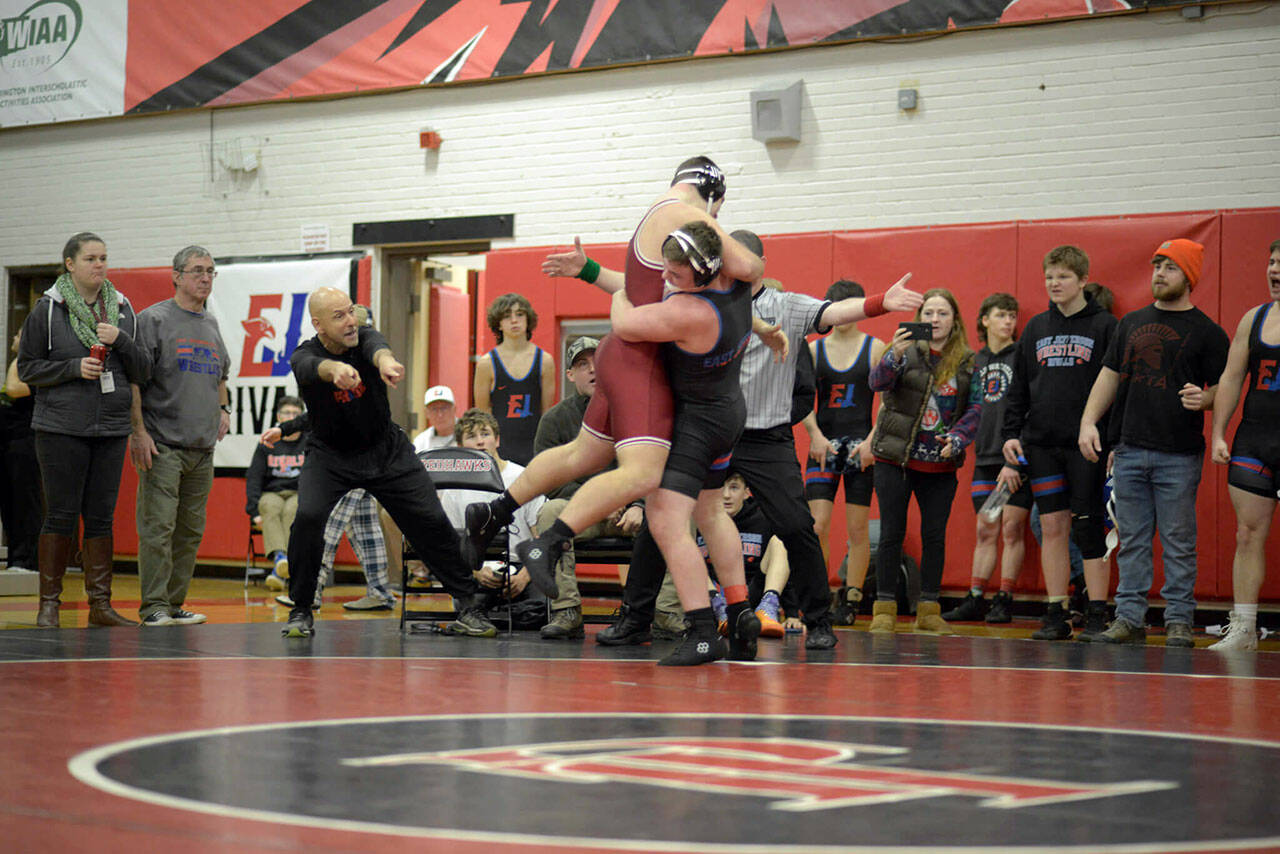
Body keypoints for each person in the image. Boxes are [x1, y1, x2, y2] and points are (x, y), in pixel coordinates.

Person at [592, 231, 921, 651]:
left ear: (757, 263)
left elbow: (835, 311)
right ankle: (636, 618)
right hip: (706, 431)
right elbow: (630, 286)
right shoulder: (691, 300)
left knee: (797, 526)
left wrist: (881, 303)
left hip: (764, 436)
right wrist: (586, 271)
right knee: (664, 520)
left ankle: (819, 620)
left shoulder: (785, 305)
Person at [464, 157, 765, 599]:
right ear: (715, 195)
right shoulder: (688, 216)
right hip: (638, 362)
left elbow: (646, 288)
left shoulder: (665, 216)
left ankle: (494, 511)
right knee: (642, 474)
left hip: (626, 356)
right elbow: (751, 269)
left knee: (581, 454)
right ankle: (546, 544)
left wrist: (591, 273)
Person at [280, 286, 493, 638]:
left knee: (429, 518)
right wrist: (334, 370)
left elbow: (375, 347)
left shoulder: (363, 337)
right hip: (331, 456)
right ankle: (301, 609)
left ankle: (468, 603)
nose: (350, 321)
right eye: (339, 317)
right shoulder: (305, 356)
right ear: (318, 325)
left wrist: (386, 362)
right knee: (308, 517)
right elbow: (311, 367)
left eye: (350, 311)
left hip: (386, 451)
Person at [604, 221, 760, 665]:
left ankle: (703, 630)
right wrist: (589, 270)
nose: (665, 278)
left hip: (698, 422)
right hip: (729, 410)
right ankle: (740, 611)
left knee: (666, 518)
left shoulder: (689, 312)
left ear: (703, 271)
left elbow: (626, 322)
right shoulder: (739, 281)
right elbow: (749, 261)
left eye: (675, 274)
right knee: (710, 512)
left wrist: (618, 295)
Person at [1078, 239, 1229, 647]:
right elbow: (1109, 375)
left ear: (1189, 277)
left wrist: (1207, 398)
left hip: (1179, 453)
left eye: (1170, 267)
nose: (1159, 273)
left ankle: (1179, 619)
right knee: (1132, 539)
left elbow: (1225, 387)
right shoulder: (1129, 323)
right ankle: (1129, 617)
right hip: (1128, 448)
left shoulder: (1208, 332)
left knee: (1179, 541)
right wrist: (1089, 421)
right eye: (1157, 265)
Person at [18, 232, 149, 628]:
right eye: (91, 258)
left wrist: (121, 341)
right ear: (70, 264)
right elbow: (27, 370)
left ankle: (100, 606)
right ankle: (50, 606)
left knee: (100, 518)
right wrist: (72, 368)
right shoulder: (47, 310)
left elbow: (143, 370)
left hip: (109, 428)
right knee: (59, 515)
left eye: (104, 258)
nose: (99, 265)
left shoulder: (123, 310)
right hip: (59, 428)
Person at [1001, 245, 1119, 641]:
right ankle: (1056, 612)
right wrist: (1010, 436)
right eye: (1049, 276)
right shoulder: (1035, 328)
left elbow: (1118, 388)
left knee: (1089, 526)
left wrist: (1113, 441)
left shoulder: (1105, 326)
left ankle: (1098, 613)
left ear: (1083, 279)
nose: (1054, 283)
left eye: (1063, 276)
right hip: (1042, 445)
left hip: (1087, 446)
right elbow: (1017, 390)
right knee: (1051, 525)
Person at [867, 288, 982, 634]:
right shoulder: (904, 350)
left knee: (935, 535)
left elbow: (976, 408)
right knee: (891, 533)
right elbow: (877, 384)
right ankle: (884, 608)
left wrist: (959, 438)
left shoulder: (967, 359)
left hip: (941, 463)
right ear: (919, 319)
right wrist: (893, 357)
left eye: (943, 313)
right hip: (895, 459)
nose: (935, 320)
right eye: (929, 313)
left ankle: (929, 609)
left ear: (955, 320)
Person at [130, 245, 230, 627]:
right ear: (176, 276)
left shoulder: (211, 324)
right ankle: (153, 606)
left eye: (211, 271)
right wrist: (137, 432)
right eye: (198, 271)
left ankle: (173, 604)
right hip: (163, 445)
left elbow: (222, 376)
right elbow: (134, 383)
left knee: (189, 533)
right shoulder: (153, 320)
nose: (205, 278)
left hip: (202, 450)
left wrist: (224, 410)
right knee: (158, 530)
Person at [530, 336, 654, 640]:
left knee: (675, 515)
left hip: (632, 511)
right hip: (582, 513)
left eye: (598, 361)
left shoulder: (638, 410)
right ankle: (567, 611)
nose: (592, 370)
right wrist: (597, 503)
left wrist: (639, 503)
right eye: (582, 364)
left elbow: (655, 465)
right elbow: (550, 481)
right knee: (549, 514)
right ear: (570, 375)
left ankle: (667, 614)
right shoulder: (555, 420)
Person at [1207, 239, 1280, 651]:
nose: (1274, 270)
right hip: (1255, 438)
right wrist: (1219, 432)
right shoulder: (1254, 319)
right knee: (1248, 533)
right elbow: (1232, 378)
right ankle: (1246, 628)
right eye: (1271, 262)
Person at [943, 293, 1032, 624]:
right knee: (986, 528)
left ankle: (1005, 598)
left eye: (1012, 316)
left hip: (1015, 458)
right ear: (984, 320)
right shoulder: (973, 361)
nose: (1008, 322)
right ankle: (976, 596)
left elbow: (1030, 407)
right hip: (985, 458)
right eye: (1001, 315)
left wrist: (1016, 459)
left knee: (1011, 528)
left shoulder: (1021, 356)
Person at [802, 279, 885, 621]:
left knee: (857, 529)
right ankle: (820, 596)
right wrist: (814, 435)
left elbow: (888, 401)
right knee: (817, 525)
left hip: (860, 449)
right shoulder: (813, 350)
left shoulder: (876, 347)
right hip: (823, 445)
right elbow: (802, 399)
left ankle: (851, 599)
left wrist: (872, 441)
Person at [437, 409, 549, 627]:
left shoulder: (524, 477)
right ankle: (495, 613)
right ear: (461, 447)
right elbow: (452, 545)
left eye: (485, 434)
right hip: (478, 570)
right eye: (471, 436)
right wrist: (476, 572)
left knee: (542, 609)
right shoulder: (453, 489)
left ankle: (497, 613)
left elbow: (541, 539)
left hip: (521, 566)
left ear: (497, 440)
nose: (480, 442)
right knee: (467, 606)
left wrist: (526, 575)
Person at [473, 294, 555, 466]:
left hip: (534, 449)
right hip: (500, 451)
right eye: (507, 316)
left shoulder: (545, 361)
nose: (514, 320)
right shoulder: (486, 364)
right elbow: (483, 414)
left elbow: (546, 413)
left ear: (528, 319)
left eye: (519, 314)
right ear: (499, 324)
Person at [246, 396, 305, 590]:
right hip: (273, 492)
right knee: (269, 506)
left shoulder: (309, 441)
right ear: (278, 417)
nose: (291, 417)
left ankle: (279, 571)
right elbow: (253, 477)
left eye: (296, 414)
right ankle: (281, 559)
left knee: (292, 510)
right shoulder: (267, 442)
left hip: (299, 493)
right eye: (287, 413)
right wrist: (254, 511)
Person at [0, 330, 42, 573]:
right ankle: (16, 557)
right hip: (8, 442)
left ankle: (28, 560)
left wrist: (19, 360)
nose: (14, 339)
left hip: (26, 441)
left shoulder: (33, 367)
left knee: (25, 500)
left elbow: (14, 389)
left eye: (18, 335)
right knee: (9, 501)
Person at [412, 385, 458, 453]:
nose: (440, 415)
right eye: (434, 409)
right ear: (426, 413)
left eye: (444, 408)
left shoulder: (469, 435)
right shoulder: (421, 442)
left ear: (454, 410)